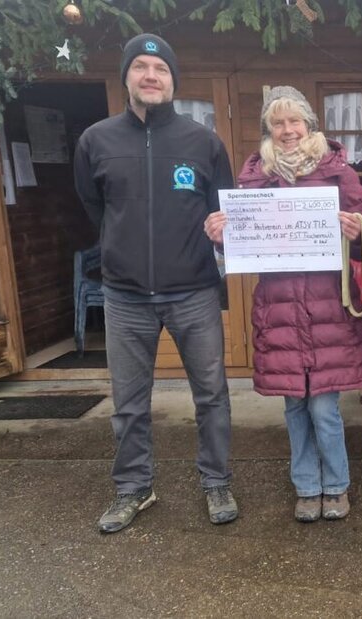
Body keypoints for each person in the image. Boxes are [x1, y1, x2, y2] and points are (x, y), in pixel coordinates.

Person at [73, 33, 238, 533]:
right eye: (141, 67)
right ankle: (133, 488)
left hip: (193, 291)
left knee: (210, 393)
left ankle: (216, 480)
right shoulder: (96, 141)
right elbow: (94, 208)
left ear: (172, 80)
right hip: (124, 296)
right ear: (126, 76)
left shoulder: (203, 142)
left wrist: (219, 229)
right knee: (128, 402)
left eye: (160, 68)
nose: (150, 76)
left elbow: (225, 210)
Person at [203, 86, 362, 523]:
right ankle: (306, 487)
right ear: (269, 128)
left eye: (294, 120)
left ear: (309, 124)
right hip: (278, 311)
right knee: (294, 405)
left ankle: (336, 485)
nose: (287, 130)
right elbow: (237, 253)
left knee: (323, 406)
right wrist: (224, 239)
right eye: (278, 122)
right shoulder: (255, 178)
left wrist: (358, 237)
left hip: (328, 311)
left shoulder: (339, 173)